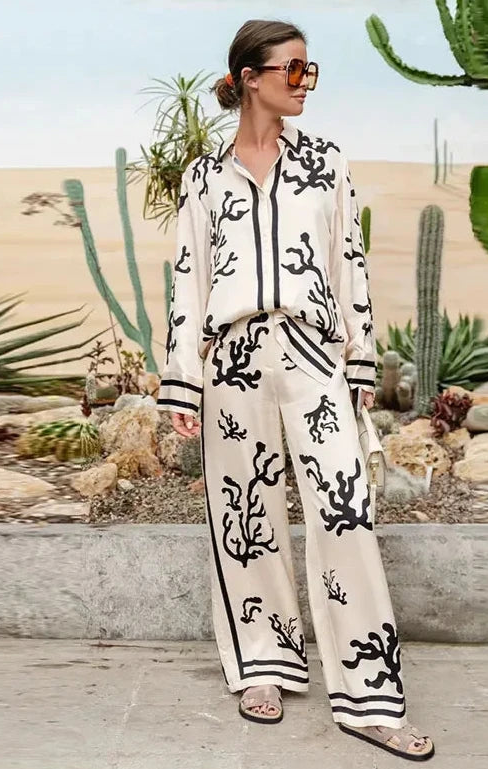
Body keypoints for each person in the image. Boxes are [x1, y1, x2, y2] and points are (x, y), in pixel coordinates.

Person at [155, 18, 435, 762]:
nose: (305, 82)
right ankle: (264, 664)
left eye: (310, 71)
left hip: (313, 353)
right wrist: (182, 381)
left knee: (345, 516)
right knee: (245, 516)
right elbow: (189, 280)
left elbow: (350, 262)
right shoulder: (203, 176)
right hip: (233, 358)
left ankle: (371, 696)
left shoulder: (325, 163)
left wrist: (361, 359)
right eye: (293, 69)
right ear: (250, 77)